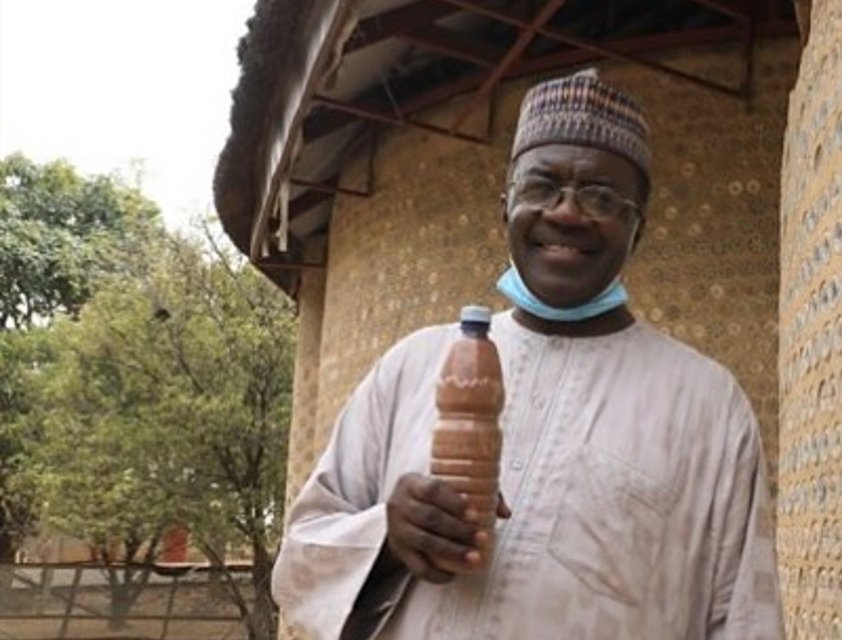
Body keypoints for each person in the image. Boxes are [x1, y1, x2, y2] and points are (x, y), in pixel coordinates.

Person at [272, 70, 783, 640]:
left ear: (637, 229)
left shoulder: (707, 403)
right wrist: (386, 541)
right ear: (505, 207)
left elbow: (744, 617)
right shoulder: (414, 366)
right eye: (542, 187)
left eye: (601, 196)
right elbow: (298, 562)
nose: (566, 213)